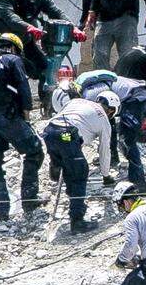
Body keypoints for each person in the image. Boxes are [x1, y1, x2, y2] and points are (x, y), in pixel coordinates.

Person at [0, 33, 45, 220]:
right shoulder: (13, 59)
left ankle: (2, 210)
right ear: (13, 47)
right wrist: (27, 116)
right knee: (34, 151)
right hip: (7, 117)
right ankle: (29, 199)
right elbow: (23, 87)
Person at [0, 0, 84, 106]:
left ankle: (48, 104)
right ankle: (12, 106)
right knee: (12, 74)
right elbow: (9, 17)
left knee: (45, 68)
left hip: (26, 41)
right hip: (5, 43)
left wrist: (73, 28)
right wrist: (29, 27)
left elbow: (56, 12)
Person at [42, 95, 113, 233]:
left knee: (70, 168)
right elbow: (105, 150)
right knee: (80, 173)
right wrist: (105, 175)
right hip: (67, 135)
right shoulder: (104, 119)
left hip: (50, 131)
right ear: (111, 110)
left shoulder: (78, 101)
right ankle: (77, 221)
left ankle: (59, 170)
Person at [83, 74, 146, 188]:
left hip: (135, 96)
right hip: (126, 95)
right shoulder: (88, 94)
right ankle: (113, 157)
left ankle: (139, 182)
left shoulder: (89, 96)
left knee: (126, 138)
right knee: (109, 122)